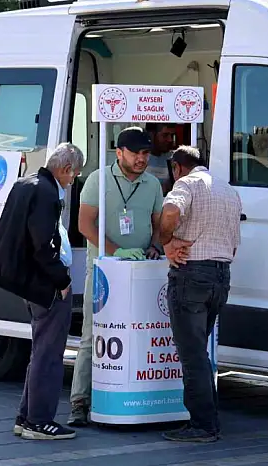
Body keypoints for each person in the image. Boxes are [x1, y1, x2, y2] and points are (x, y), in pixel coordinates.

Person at [67, 126, 165, 426]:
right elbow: (84, 224)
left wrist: (153, 247)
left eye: (146, 153)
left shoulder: (153, 184)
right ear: (119, 152)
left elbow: (158, 224)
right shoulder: (99, 179)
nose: (141, 159)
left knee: (141, 333)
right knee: (92, 335)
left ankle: (136, 398)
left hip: (142, 272)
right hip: (105, 271)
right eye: (136, 153)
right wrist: (116, 251)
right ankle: (79, 403)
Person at [0, 143, 84, 440]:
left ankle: (27, 416)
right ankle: (39, 420)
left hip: (29, 280)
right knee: (49, 354)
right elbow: (43, 244)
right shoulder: (46, 192)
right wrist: (62, 280)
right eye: (74, 175)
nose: (73, 180)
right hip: (46, 284)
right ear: (66, 169)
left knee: (41, 350)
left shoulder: (28, 182)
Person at [159, 146, 242, 443]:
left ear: (177, 167)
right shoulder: (228, 191)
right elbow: (233, 245)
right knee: (201, 352)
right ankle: (209, 419)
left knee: (192, 355)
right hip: (221, 276)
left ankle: (202, 424)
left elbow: (170, 211)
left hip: (192, 274)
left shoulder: (187, 183)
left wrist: (166, 240)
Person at [145, 123, 177, 195]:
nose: (170, 140)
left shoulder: (176, 158)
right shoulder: (139, 158)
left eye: (172, 135)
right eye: (165, 135)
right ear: (151, 135)